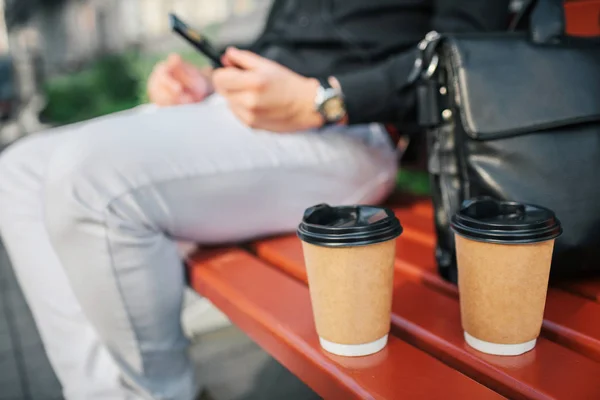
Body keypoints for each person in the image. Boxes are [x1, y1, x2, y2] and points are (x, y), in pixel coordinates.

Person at [0, 1, 510, 399]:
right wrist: (213, 80)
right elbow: (281, 46)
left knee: (93, 179)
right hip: (251, 114)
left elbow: (466, 51)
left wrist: (325, 99)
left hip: (351, 128)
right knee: (19, 169)